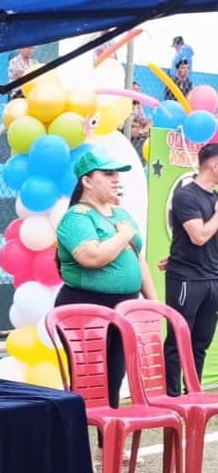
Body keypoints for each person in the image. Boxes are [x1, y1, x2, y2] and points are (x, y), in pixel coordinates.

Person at [55, 148, 157, 420]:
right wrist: (123, 236)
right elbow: (92, 257)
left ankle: (107, 438)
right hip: (86, 309)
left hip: (123, 309)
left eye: (117, 174)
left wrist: (153, 303)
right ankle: (77, 440)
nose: (116, 179)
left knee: (114, 377)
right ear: (87, 181)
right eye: (108, 173)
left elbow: (139, 260)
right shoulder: (77, 217)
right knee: (88, 382)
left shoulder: (121, 215)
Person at [162, 143, 218, 396]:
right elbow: (199, 236)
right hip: (188, 279)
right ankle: (172, 396)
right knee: (178, 339)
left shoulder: (214, 199)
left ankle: (193, 394)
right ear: (214, 165)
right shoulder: (187, 196)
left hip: (212, 278)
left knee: (201, 342)